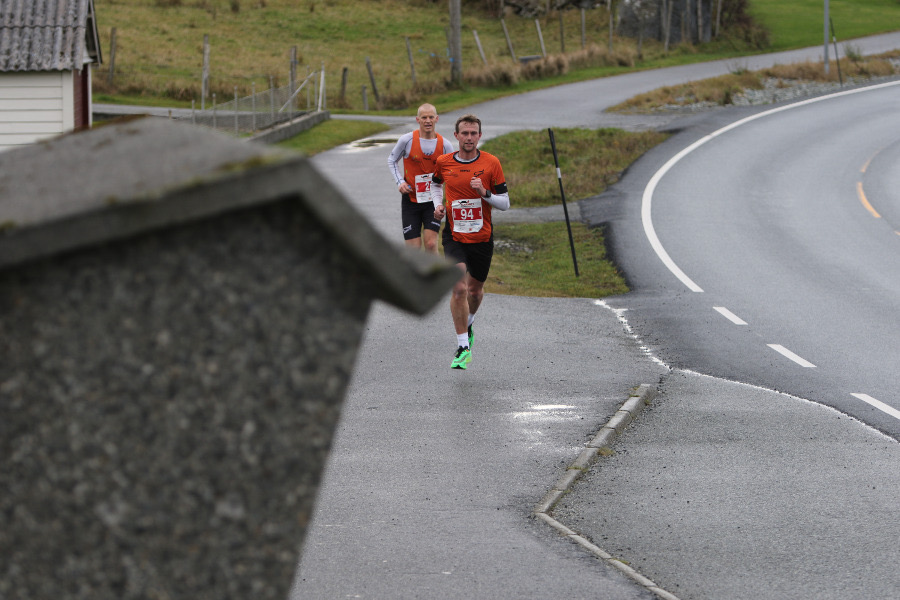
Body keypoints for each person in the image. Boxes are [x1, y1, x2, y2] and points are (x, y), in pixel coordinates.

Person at [430, 114, 510, 370]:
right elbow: (435, 185)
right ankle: (463, 346)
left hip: (482, 237)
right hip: (454, 235)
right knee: (459, 288)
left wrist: (484, 193)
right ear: (456, 136)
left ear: (479, 135)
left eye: (473, 133)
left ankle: (469, 322)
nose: (469, 138)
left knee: (475, 291)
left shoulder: (491, 163)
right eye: (464, 133)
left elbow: (505, 203)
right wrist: (438, 205)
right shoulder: (444, 162)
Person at [387, 103, 454, 254]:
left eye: (431, 117)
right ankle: (415, 277)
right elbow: (391, 160)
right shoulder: (406, 140)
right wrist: (400, 182)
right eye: (424, 117)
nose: (428, 120)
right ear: (418, 119)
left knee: (430, 244)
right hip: (410, 200)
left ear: (437, 119)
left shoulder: (446, 145)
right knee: (414, 250)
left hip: (433, 201)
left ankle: (435, 277)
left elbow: (452, 174)